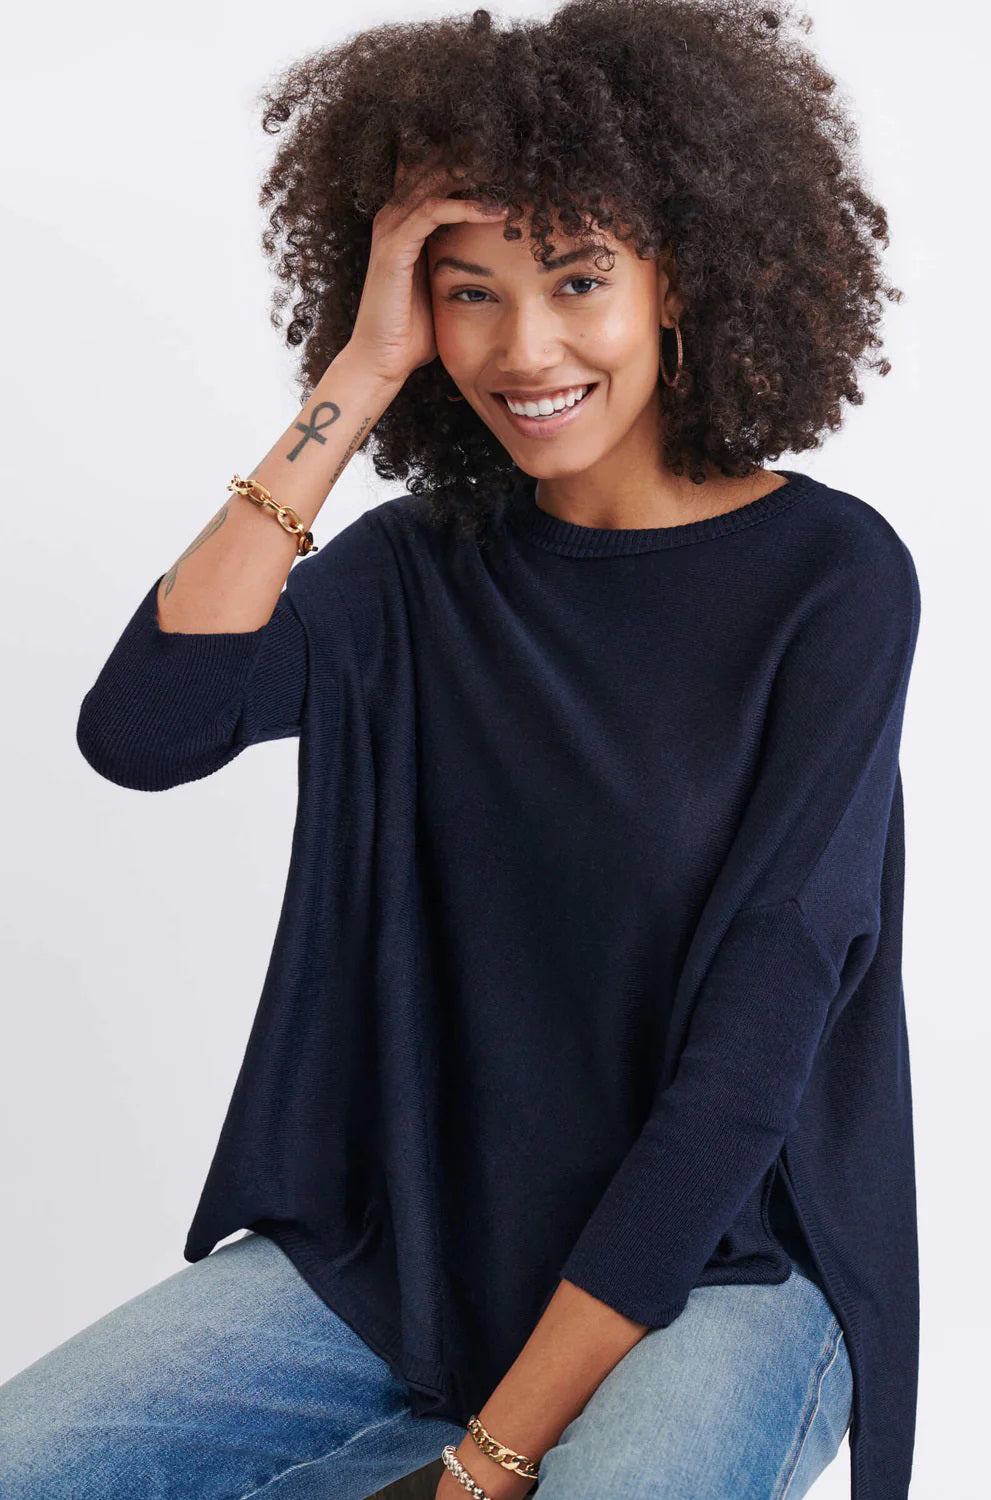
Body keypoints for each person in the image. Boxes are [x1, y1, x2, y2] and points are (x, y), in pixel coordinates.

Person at [0, 2, 922, 1496]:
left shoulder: (832, 581)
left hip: (724, 1271)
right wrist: (359, 374)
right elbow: (145, 728)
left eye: (576, 279)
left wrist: (492, 1461)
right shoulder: (417, 570)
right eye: (470, 295)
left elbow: (755, 1056)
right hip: (413, 1256)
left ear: (676, 276)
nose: (527, 346)